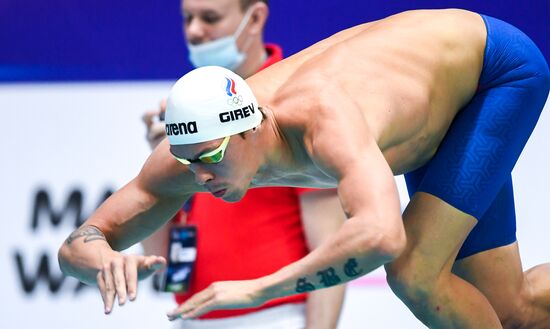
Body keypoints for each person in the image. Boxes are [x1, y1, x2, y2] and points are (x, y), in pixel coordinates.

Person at [58, 8, 550, 329]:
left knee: (415, 273)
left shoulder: (321, 119)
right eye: (188, 161)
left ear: (250, 128)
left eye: (210, 157)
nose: (200, 177)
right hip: (432, 106)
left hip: (494, 73)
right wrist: (100, 256)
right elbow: (78, 242)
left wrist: (259, 288)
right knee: (511, 311)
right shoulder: (194, 154)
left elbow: (381, 235)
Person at [140, 0, 346, 328]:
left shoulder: (296, 102)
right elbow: (159, 258)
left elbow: (331, 249)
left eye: (210, 17)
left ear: (255, 18)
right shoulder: (187, 107)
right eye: (187, 18)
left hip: (276, 317)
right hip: (191, 317)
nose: (194, 30)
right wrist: (162, 166)